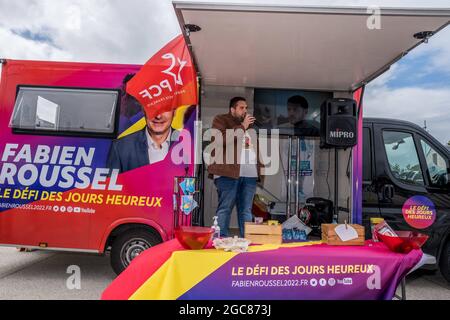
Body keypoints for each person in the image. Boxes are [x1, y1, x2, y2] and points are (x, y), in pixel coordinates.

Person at [207, 97, 264, 238]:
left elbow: (254, 149)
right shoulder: (221, 120)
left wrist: (260, 169)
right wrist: (243, 126)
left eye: (246, 108)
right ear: (232, 109)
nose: (245, 110)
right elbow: (220, 140)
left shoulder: (250, 127)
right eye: (241, 108)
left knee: (246, 210)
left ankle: (248, 241)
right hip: (227, 173)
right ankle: (220, 240)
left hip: (249, 175)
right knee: (225, 208)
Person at [107, 108, 176, 173]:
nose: (158, 116)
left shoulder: (186, 144)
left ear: (174, 111)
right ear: (143, 110)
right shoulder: (120, 147)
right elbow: (110, 183)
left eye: (165, 109)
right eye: (152, 108)